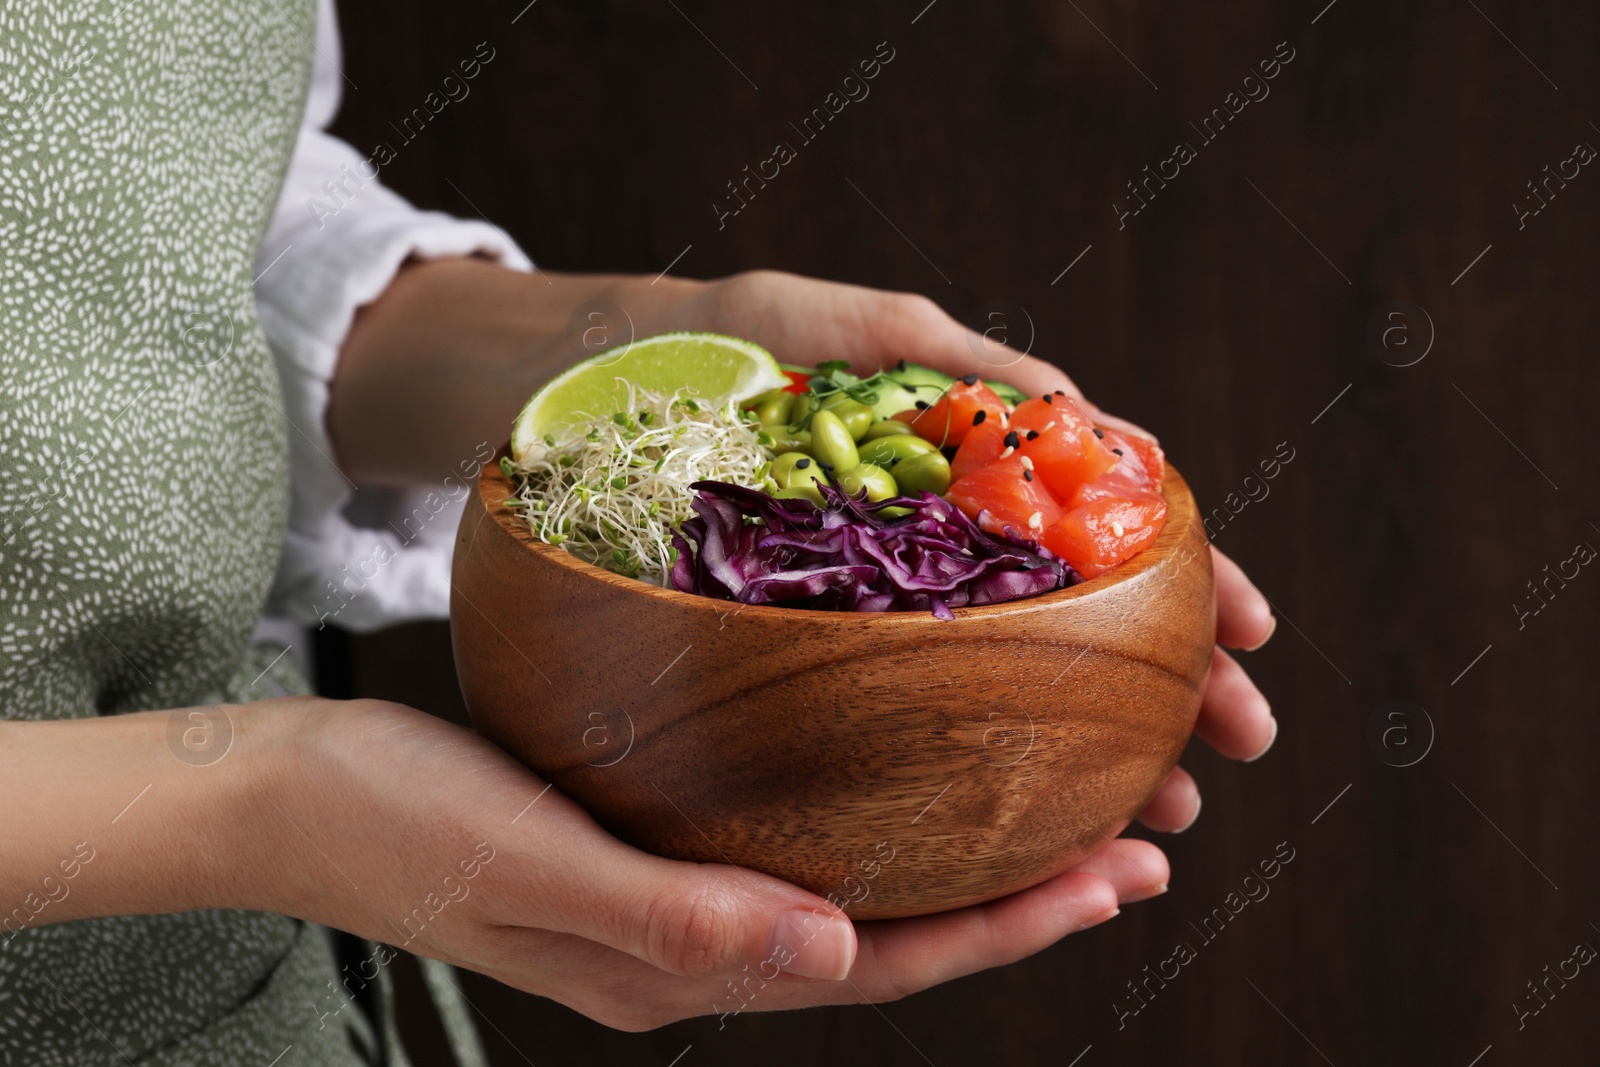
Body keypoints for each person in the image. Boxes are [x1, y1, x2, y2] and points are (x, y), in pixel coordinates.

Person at [0, 0, 1277, 1063]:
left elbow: (202, 248)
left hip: (229, 1003)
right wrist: (266, 804)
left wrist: (656, 346)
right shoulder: (275, 801)